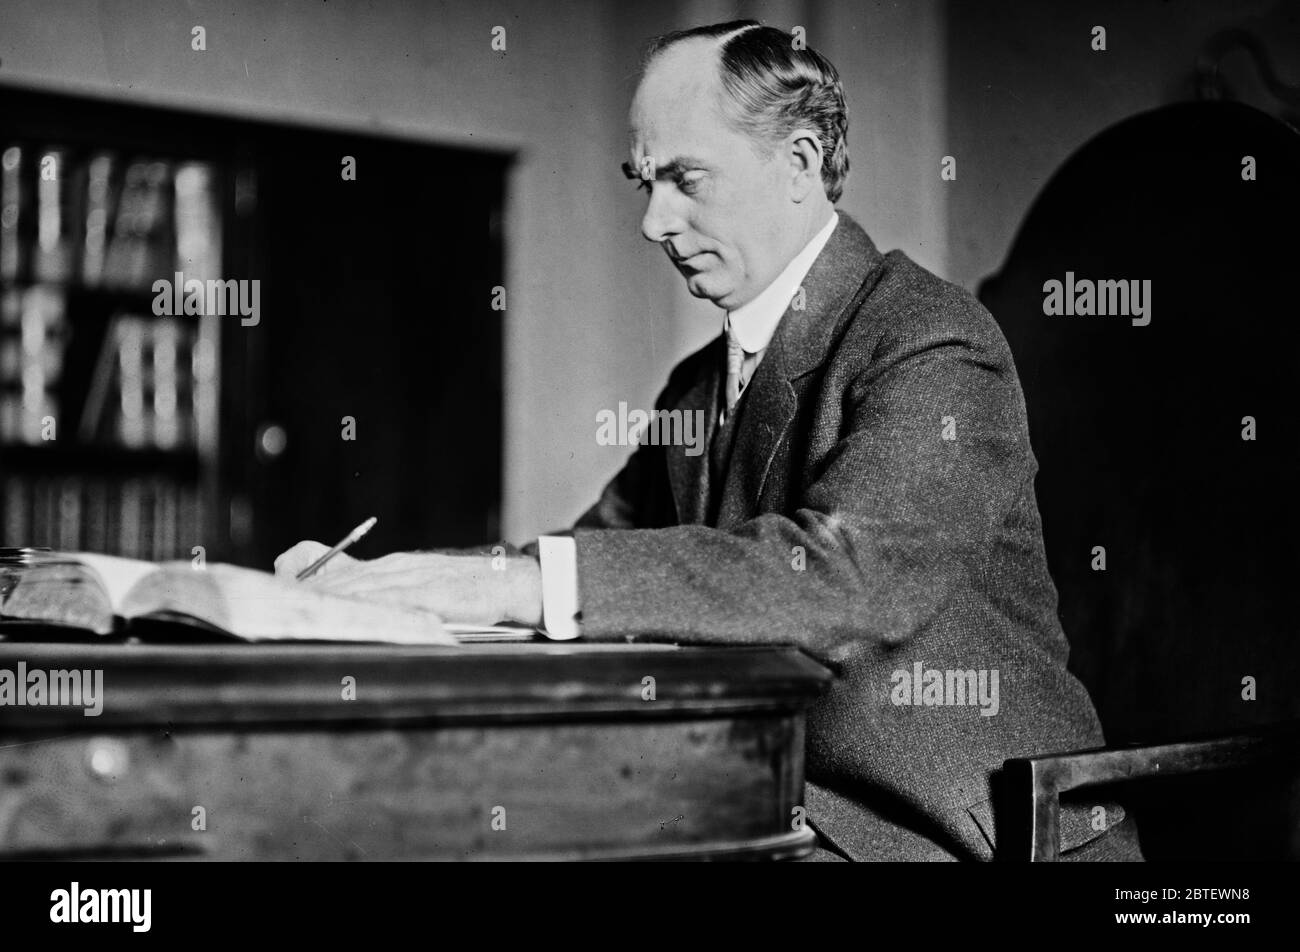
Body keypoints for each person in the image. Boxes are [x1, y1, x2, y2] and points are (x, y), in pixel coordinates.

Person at [276, 20, 1141, 861]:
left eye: (687, 179)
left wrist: (507, 583)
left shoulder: (930, 337)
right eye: (644, 182)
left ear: (799, 164)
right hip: (765, 801)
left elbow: (846, 578)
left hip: (949, 831)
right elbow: (591, 560)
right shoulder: (698, 383)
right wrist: (385, 591)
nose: (653, 221)